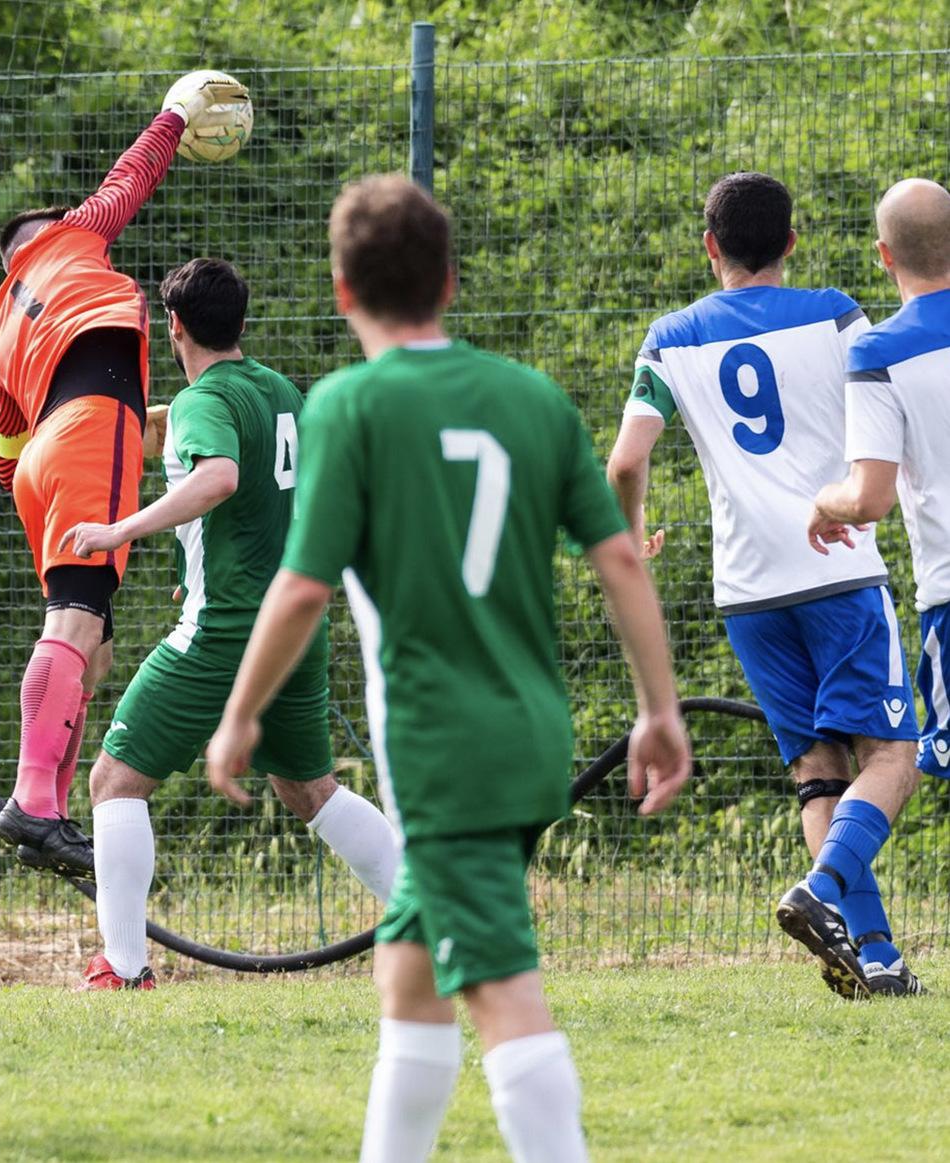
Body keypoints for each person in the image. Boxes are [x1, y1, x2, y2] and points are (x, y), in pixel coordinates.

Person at [206, 175, 691, 1163]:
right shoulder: (530, 398)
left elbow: (302, 588)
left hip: (439, 744)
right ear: (450, 280)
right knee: (406, 970)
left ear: (342, 291)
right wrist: (657, 708)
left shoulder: (351, 405)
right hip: (526, 729)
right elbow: (620, 559)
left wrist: (239, 714)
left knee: (501, 987)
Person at [606, 171, 923, 997]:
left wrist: (633, 536)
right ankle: (821, 892)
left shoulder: (670, 337)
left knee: (818, 772)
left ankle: (874, 955)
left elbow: (626, 458)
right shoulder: (836, 312)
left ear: (709, 247)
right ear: (792, 242)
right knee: (891, 753)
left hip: (746, 588)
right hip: (839, 566)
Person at [59, 257, 399, 990]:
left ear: (173, 327)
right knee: (307, 788)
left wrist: (122, 529)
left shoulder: (201, 402)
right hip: (297, 622)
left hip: (227, 628)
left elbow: (218, 476)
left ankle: (122, 966)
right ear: (241, 323)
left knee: (115, 778)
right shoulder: (279, 390)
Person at [0, 74, 244, 875]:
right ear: (50, 231)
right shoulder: (71, 239)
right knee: (74, 626)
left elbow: (10, 459)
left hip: (48, 459)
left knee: (86, 643)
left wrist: (132, 424)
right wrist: (173, 113)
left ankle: (48, 809)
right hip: (91, 434)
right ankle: (33, 802)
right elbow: (129, 178)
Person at [804, 177, 950, 995]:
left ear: (883, 256)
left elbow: (869, 498)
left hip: (948, 591)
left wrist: (820, 507)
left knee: (912, 755)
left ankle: (824, 884)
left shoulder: (880, 350)